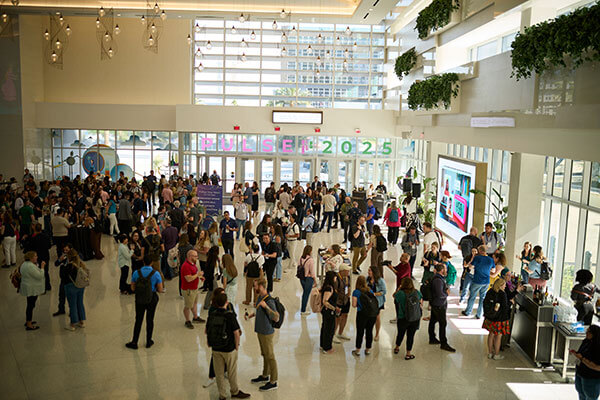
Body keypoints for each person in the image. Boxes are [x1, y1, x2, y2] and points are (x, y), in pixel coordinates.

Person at [205, 291, 251, 399]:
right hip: (228, 348)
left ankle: (222, 395)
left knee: (219, 373)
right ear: (226, 302)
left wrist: (209, 342)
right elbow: (236, 332)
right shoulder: (229, 315)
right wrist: (237, 345)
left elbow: (207, 330)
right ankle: (234, 392)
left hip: (216, 348)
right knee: (232, 371)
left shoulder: (212, 314)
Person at [245, 278, 280, 392]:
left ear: (261, 287)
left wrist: (266, 307)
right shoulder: (260, 297)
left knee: (270, 356)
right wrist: (252, 315)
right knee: (264, 353)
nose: (254, 288)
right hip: (260, 330)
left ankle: (273, 381)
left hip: (267, 332)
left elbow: (276, 317)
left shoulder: (269, 301)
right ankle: (265, 375)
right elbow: (259, 309)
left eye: (255, 286)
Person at [126, 255, 164, 350]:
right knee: (150, 319)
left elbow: (132, 288)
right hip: (152, 298)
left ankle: (134, 341)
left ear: (143, 262)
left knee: (138, 320)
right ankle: (148, 341)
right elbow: (160, 289)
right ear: (151, 263)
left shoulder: (136, 273)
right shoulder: (156, 274)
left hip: (139, 298)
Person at [463, 245, 496, 319]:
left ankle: (468, 312)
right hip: (486, 281)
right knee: (482, 298)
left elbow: (470, 267)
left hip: (477, 280)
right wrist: (487, 272)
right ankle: (479, 314)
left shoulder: (477, 258)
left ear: (480, 251)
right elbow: (493, 270)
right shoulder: (491, 259)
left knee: (472, 297)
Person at [429, 263, 456, 352]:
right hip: (439, 304)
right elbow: (440, 294)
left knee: (433, 320)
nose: (446, 270)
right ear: (442, 270)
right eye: (445, 269)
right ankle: (443, 343)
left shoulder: (438, 278)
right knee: (442, 323)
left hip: (436, 303)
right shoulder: (438, 280)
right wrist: (447, 293)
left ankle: (432, 338)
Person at [393, 277, 422, 359]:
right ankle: (408, 353)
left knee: (400, 333)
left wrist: (398, 289)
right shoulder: (416, 292)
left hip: (403, 317)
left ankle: (397, 347)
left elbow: (394, 296)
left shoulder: (400, 293)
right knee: (410, 336)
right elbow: (420, 301)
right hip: (414, 318)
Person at [482, 278, 509, 360]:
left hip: (490, 317)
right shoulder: (502, 294)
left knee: (491, 335)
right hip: (499, 319)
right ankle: (496, 354)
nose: (505, 286)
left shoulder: (490, 291)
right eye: (504, 284)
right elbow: (505, 307)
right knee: (498, 337)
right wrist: (511, 302)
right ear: (500, 285)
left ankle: (490, 353)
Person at [570, 325, 600, 400]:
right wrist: (576, 354)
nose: (586, 333)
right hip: (580, 373)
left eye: (589, 332)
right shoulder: (586, 341)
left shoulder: (597, 346)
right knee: (581, 393)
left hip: (591, 377)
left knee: (590, 397)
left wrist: (581, 358)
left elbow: (597, 367)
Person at [63, 249, 89, 331]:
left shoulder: (69, 266)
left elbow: (63, 277)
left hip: (71, 287)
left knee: (72, 305)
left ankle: (73, 324)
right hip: (81, 286)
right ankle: (81, 321)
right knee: (80, 303)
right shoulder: (81, 264)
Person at [351, 275, 378, 356]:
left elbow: (354, 305)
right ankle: (368, 349)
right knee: (369, 331)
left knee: (360, 332)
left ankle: (358, 350)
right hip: (372, 314)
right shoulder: (370, 290)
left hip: (362, 314)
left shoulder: (356, 292)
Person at [20, 251, 45, 330]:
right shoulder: (30, 266)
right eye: (35, 256)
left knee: (30, 305)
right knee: (31, 305)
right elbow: (40, 276)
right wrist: (42, 267)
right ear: (31, 258)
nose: (36, 257)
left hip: (28, 287)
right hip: (32, 289)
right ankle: (29, 324)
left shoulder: (24, 264)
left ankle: (28, 320)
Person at [181, 249, 205, 329]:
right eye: (195, 256)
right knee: (188, 306)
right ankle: (187, 321)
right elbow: (188, 279)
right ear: (190, 256)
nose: (197, 258)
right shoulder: (185, 266)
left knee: (194, 304)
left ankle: (195, 317)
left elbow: (194, 274)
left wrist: (200, 277)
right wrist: (198, 274)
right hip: (188, 290)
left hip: (194, 288)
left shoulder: (192, 264)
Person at [320, 271, 339, 354]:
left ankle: (323, 344)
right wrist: (333, 308)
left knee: (325, 327)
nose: (336, 279)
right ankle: (327, 347)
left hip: (327, 311)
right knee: (329, 328)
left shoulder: (327, 286)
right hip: (328, 311)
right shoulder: (329, 288)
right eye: (335, 277)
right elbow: (325, 301)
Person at [367, 266, 386, 341]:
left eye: (370, 271)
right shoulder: (367, 279)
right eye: (368, 270)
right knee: (369, 317)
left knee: (377, 317)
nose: (368, 272)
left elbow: (384, 291)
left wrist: (375, 294)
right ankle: (369, 332)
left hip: (377, 301)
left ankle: (377, 334)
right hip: (368, 301)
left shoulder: (380, 281)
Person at [334, 263, 352, 342]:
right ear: (342, 271)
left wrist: (348, 294)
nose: (348, 272)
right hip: (338, 301)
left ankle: (340, 333)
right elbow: (334, 292)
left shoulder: (347, 277)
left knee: (345, 316)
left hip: (346, 300)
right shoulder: (336, 279)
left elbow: (349, 286)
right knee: (337, 318)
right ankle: (333, 334)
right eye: (347, 270)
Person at [299, 245, 316, 315]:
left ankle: (304, 306)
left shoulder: (301, 258)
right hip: (309, 279)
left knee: (305, 293)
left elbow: (298, 266)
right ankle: (303, 310)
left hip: (302, 278)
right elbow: (312, 272)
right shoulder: (310, 260)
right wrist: (315, 280)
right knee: (306, 294)